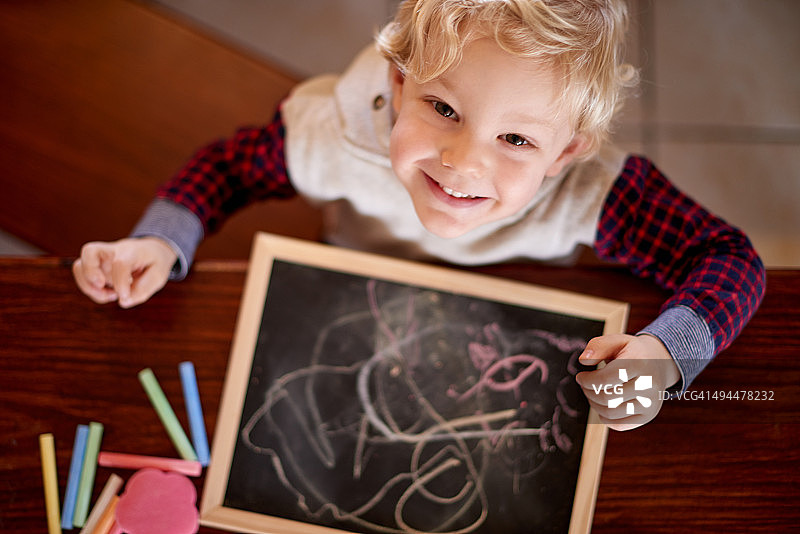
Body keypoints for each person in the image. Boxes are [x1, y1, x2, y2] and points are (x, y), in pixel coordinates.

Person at [72, 0, 765, 430]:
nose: (463, 162)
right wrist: (160, 243)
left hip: (511, 318)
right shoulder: (333, 138)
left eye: (517, 140)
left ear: (567, 152)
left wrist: (665, 355)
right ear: (398, 82)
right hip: (354, 282)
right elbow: (225, 169)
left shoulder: (594, 191)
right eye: (443, 108)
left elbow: (730, 260)